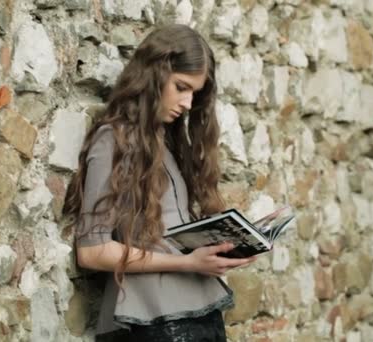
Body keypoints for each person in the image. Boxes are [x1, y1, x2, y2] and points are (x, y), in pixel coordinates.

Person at [63, 24, 256, 341]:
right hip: (150, 322)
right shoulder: (111, 140)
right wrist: (187, 263)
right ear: (153, 75)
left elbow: (168, 233)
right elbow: (92, 251)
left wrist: (226, 244)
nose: (188, 103)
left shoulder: (168, 142)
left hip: (202, 312)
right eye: (181, 87)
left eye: (194, 92)